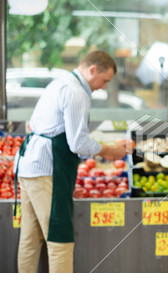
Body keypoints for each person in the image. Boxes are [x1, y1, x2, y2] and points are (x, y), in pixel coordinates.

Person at [14, 50, 130, 273]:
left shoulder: (61, 83)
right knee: (60, 239)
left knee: (30, 238)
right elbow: (78, 143)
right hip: (48, 170)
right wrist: (108, 150)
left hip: (30, 166)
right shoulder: (75, 92)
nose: (104, 87)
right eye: (104, 80)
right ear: (92, 69)